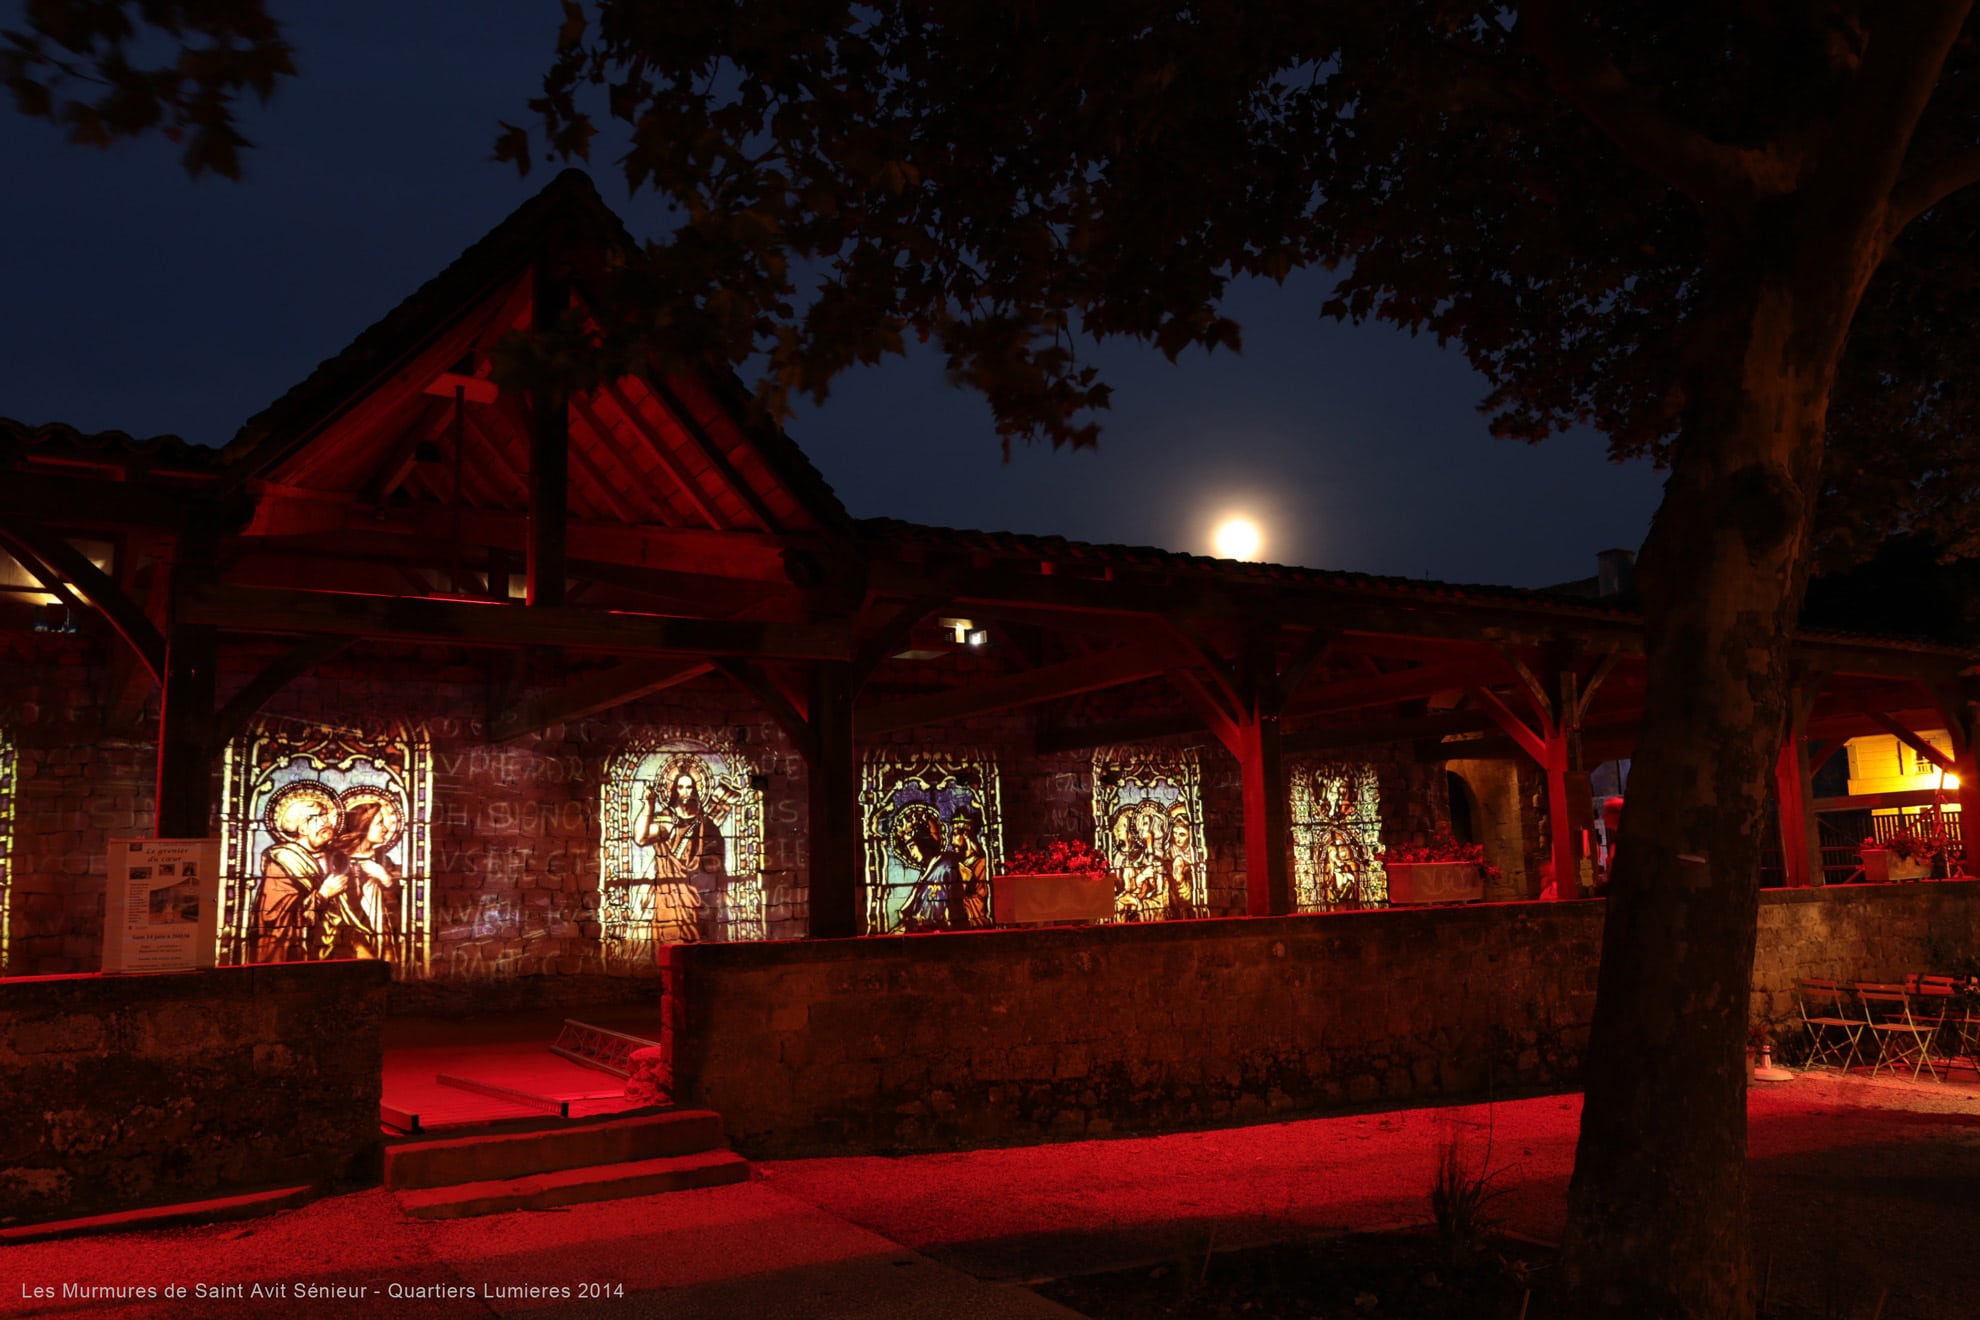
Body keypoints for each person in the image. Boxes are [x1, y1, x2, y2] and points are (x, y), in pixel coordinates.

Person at [636, 767, 729, 942]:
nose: (685, 792)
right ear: (674, 790)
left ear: (695, 790)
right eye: (680, 787)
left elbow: (718, 863)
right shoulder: (667, 819)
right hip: (669, 892)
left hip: (701, 893)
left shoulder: (707, 825)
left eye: (689, 787)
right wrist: (648, 804)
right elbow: (641, 838)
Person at [254, 784, 339, 963]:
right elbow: (274, 915)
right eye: (319, 817)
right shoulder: (282, 860)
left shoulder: (335, 858)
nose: (328, 822)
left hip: (332, 946)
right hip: (291, 952)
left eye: (326, 816)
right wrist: (323, 896)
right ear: (302, 828)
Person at [317, 797, 401, 960]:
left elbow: (399, 905)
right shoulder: (334, 859)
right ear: (363, 827)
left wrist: (386, 879)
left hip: (380, 934)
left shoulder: (383, 860)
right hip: (343, 934)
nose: (385, 829)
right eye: (379, 824)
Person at [950, 817, 990, 929]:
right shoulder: (958, 864)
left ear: (966, 836)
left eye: (955, 834)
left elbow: (980, 899)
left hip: (975, 923)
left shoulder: (981, 864)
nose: (952, 841)